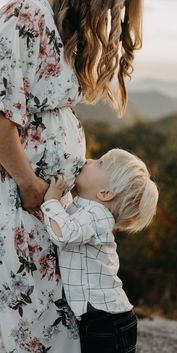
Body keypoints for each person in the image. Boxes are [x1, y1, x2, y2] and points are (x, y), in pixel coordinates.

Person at [0, 0, 143, 351]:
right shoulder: (27, 13)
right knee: (27, 320)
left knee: (50, 321)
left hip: (46, 205)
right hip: (24, 201)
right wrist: (29, 183)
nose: (113, 12)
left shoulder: (58, 24)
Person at [40, 148, 159, 353]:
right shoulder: (85, 209)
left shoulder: (97, 215)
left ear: (105, 193)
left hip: (108, 323)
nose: (89, 160)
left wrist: (51, 201)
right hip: (101, 320)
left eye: (100, 163)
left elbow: (64, 234)